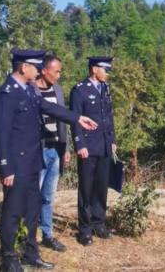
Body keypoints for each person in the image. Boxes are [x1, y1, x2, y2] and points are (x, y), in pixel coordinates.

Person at [0, 49, 98, 272]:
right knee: (12, 212)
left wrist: (77, 117)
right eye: (35, 66)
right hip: (16, 165)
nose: (38, 70)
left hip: (33, 161)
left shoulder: (28, 91)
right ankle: (9, 259)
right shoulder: (7, 94)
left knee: (32, 210)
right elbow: (0, 134)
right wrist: (5, 168)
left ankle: (31, 253)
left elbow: (49, 107)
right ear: (23, 67)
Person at [69, 56, 117, 246]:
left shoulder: (105, 89)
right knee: (86, 189)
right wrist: (79, 144)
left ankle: (99, 223)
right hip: (88, 147)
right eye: (105, 69)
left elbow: (109, 117)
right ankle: (85, 229)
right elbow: (75, 120)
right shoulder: (80, 90)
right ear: (94, 69)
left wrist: (112, 140)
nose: (108, 73)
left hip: (104, 145)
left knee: (101, 187)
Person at [33, 54, 70, 252]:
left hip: (55, 150)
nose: (58, 75)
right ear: (44, 70)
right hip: (37, 151)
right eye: (56, 71)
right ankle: (28, 238)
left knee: (48, 196)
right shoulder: (31, 90)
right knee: (32, 197)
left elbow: (64, 118)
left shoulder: (57, 90)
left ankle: (47, 235)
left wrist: (67, 148)